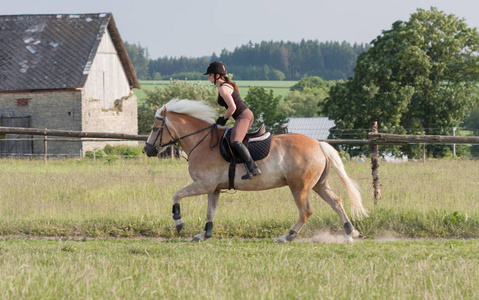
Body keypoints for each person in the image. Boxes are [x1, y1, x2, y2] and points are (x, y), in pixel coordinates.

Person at [204, 61, 261, 180]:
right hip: (244, 115)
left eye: (210, 75)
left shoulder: (223, 89)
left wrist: (223, 119)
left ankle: (253, 168)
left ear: (217, 76)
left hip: (243, 116)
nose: (208, 77)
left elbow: (232, 107)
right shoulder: (225, 86)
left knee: (235, 141)